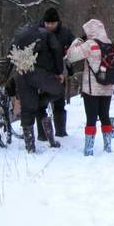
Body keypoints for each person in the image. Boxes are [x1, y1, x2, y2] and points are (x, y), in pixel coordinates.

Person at [9, 22, 65, 153]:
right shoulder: (47, 35)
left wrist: (6, 77)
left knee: (28, 109)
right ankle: (39, 103)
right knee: (59, 90)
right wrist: (59, 72)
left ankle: (30, 147)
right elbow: (57, 51)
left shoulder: (18, 38)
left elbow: (10, 56)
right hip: (40, 74)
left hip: (21, 72)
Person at [65, 19, 114, 156]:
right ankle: (107, 147)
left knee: (91, 118)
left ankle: (89, 150)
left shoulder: (89, 45)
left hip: (91, 89)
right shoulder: (113, 45)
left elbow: (70, 56)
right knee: (105, 116)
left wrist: (77, 41)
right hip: (108, 87)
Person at [38, 7, 75, 139]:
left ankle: (60, 131)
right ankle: (43, 134)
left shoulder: (65, 33)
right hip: (42, 73)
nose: (49, 26)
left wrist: (68, 67)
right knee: (40, 104)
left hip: (59, 72)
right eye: (47, 23)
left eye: (52, 23)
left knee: (59, 102)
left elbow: (74, 48)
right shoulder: (38, 32)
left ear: (58, 22)